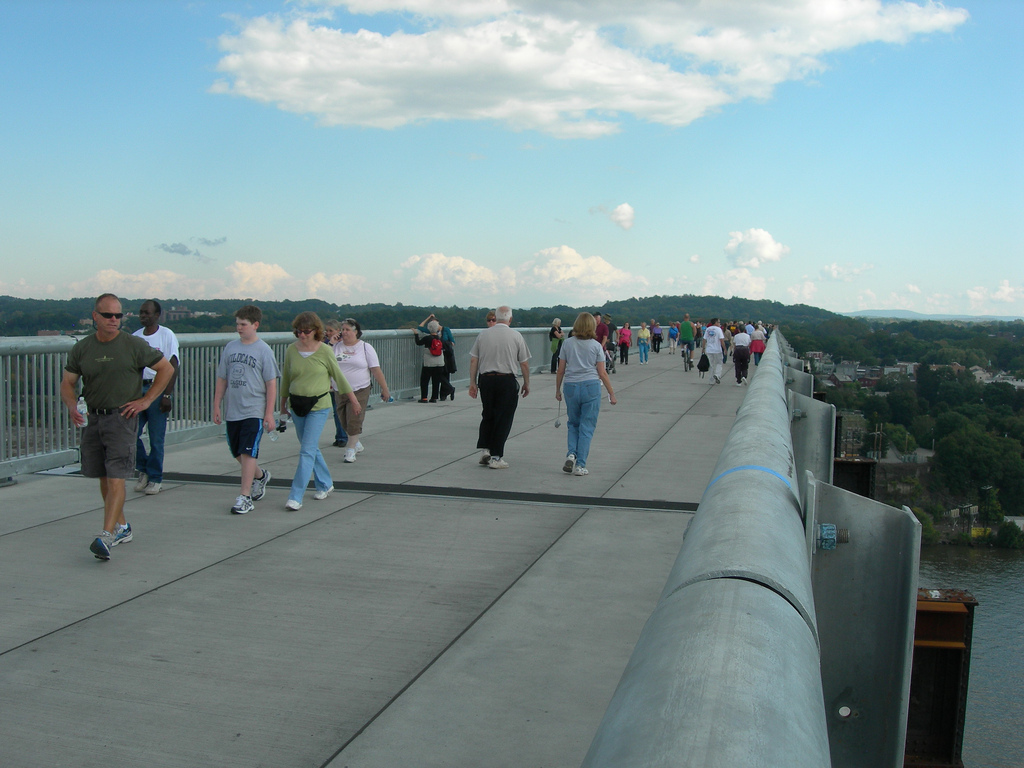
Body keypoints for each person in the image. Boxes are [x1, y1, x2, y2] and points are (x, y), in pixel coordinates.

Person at [61, 293, 174, 560]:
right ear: (95, 316)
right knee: (103, 476)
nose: (114, 320)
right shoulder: (82, 348)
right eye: (108, 315)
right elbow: (68, 382)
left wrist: (146, 400)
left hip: (122, 418)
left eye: (119, 315)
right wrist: (71, 407)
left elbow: (166, 369)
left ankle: (106, 535)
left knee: (116, 478)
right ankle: (122, 527)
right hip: (93, 418)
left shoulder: (133, 345)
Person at [279, 312, 359, 510]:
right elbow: (286, 380)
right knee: (311, 447)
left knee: (306, 451)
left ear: (316, 331)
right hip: (297, 406)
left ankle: (295, 496)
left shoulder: (325, 351)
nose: (302, 335)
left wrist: (354, 400)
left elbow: (338, 377)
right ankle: (325, 483)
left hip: (319, 406)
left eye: (306, 332)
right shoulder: (291, 350)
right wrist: (282, 406)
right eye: (298, 332)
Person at [213, 305, 279, 515]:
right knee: (237, 452)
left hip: (254, 409)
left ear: (255, 325)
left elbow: (271, 384)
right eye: (237, 324)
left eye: (243, 324)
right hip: (234, 409)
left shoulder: (263, 350)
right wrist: (216, 404)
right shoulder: (230, 348)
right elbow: (222, 378)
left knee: (248, 451)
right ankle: (260, 476)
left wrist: (269, 413)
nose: (239, 328)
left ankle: (244, 496)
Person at [467, 305, 531, 468]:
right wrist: (526, 383)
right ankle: (496, 457)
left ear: (495, 317)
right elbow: (523, 363)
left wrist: (473, 383)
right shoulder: (516, 336)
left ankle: (485, 450)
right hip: (506, 380)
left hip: (486, 380)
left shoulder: (483, 335)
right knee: (503, 418)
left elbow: (474, 359)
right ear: (510, 319)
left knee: (488, 414)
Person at [555, 312, 616, 476]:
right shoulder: (596, 346)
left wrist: (557, 390)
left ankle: (571, 454)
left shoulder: (567, 343)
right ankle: (580, 465)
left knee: (573, 423)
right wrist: (611, 393)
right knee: (586, 426)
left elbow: (560, 370)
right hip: (591, 386)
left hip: (571, 386)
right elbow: (602, 373)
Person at [132, 299, 179, 496]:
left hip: (157, 390)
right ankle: (143, 469)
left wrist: (167, 394)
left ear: (157, 315)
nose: (143, 316)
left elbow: (173, 365)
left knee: (156, 438)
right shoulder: (134, 337)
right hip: (137, 391)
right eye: (141, 313)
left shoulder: (166, 335)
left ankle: (155, 479)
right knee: (130, 434)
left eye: (147, 313)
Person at [331, 317, 391, 464]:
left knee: (354, 418)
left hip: (360, 388)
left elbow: (375, 370)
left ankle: (350, 450)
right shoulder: (335, 347)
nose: (344, 332)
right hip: (340, 389)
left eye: (347, 330)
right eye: (342, 329)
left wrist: (385, 389)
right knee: (343, 420)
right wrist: (331, 343)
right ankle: (356, 441)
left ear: (356, 332)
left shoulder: (365, 347)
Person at [416, 313, 456, 399]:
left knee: (439, 377)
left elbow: (418, 341)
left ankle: (443, 393)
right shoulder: (437, 336)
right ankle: (439, 395)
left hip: (440, 358)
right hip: (440, 358)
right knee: (438, 378)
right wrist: (429, 317)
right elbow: (420, 327)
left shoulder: (434, 334)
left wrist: (416, 334)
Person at [323, 319, 349, 448]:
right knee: (337, 410)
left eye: (330, 331)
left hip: (344, 381)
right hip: (331, 382)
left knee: (343, 410)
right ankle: (341, 436)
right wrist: (330, 343)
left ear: (339, 331)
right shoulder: (325, 344)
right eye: (326, 330)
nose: (327, 333)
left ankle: (344, 435)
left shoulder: (346, 343)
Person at [702, 317, 726, 384]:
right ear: (715, 323)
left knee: (711, 365)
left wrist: (703, 348)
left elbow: (704, 339)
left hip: (709, 349)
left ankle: (711, 380)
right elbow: (721, 340)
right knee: (719, 363)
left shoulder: (707, 329)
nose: (719, 323)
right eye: (718, 322)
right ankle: (717, 374)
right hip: (717, 349)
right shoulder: (719, 329)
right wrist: (724, 349)